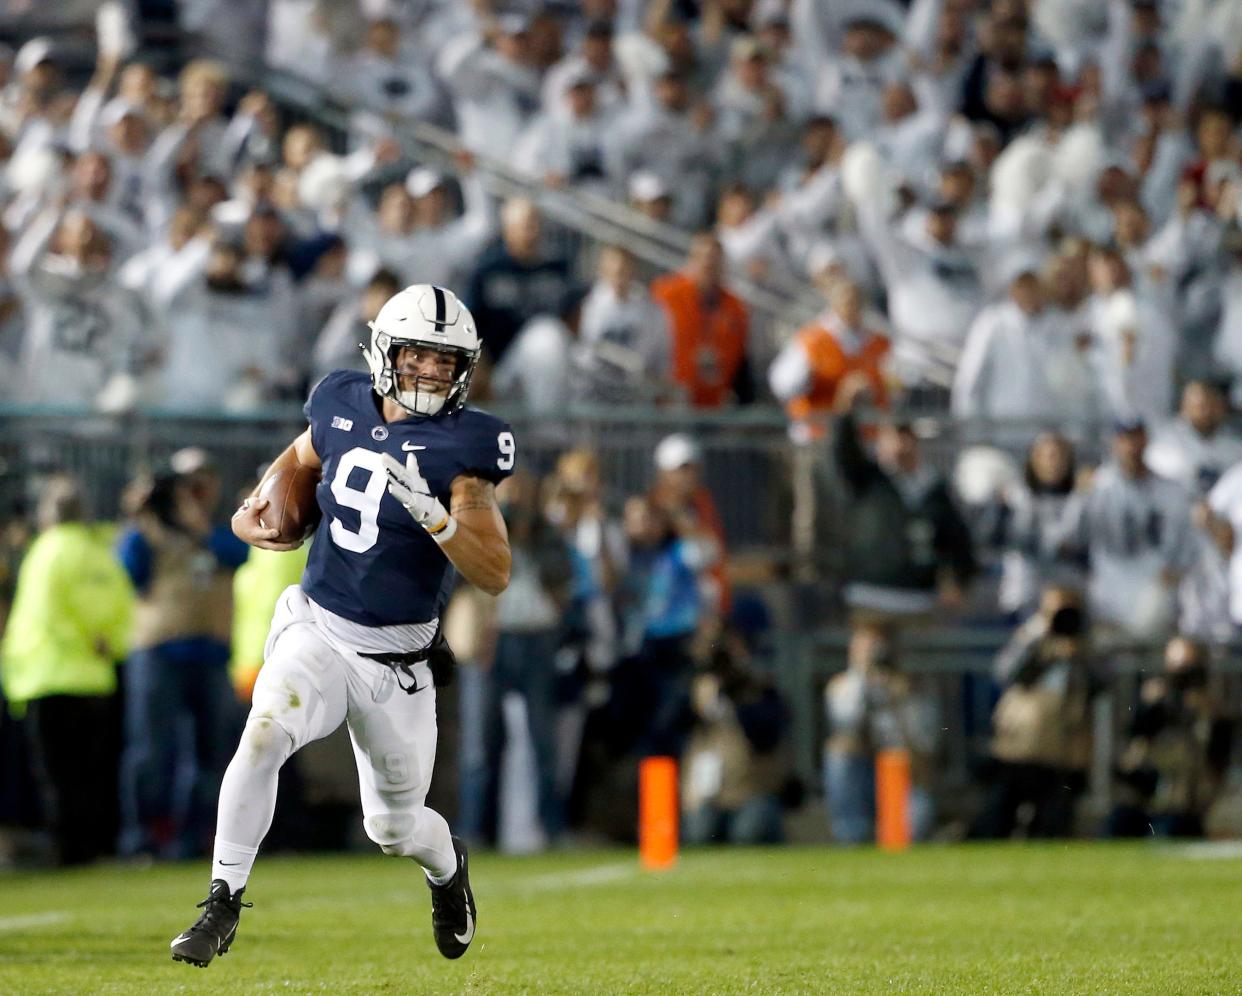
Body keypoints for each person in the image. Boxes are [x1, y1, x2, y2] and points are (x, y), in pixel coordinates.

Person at [170, 284, 514, 967]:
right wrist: (268, 501)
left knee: (392, 826)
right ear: (385, 354)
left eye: (446, 363)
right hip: (319, 627)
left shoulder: (467, 447)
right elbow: (303, 456)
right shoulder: (339, 399)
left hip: (398, 663)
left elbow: (495, 570)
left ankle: (448, 874)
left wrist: (440, 520)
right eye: (417, 356)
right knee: (265, 731)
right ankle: (222, 901)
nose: (431, 374)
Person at [0, 474, 133, 865]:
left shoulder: (46, 552)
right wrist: (107, 641)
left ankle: (69, 851)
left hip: (47, 678)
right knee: (90, 773)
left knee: (57, 776)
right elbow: (119, 607)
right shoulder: (99, 552)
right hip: (94, 678)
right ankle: (90, 846)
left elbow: (44, 616)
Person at [1109, 635, 1233, 838]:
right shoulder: (1155, 703)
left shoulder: (1211, 712)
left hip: (1184, 804)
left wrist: (1203, 712)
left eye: (1188, 671)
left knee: (1171, 831)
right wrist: (1150, 706)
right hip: (1146, 796)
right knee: (1117, 825)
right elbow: (1131, 746)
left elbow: (1216, 765)